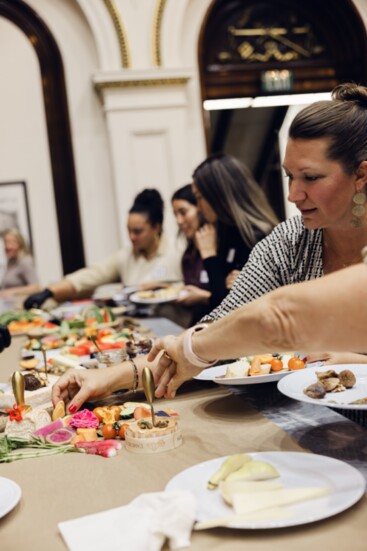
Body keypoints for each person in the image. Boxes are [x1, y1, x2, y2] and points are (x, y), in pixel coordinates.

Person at [51, 82, 367, 410]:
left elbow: (276, 317)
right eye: (289, 177)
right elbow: (219, 332)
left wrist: (358, 363)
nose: (293, 194)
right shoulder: (288, 242)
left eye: (311, 178)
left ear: (360, 175)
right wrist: (112, 377)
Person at [23, 189, 183, 309]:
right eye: (129, 230)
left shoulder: (177, 252)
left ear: (156, 227)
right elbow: (92, 274)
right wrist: (49, 292)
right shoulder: (127, 255)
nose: (131, 237)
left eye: (138, 231)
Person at [190, 153, 279, 310]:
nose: (198, 207)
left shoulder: (257, 238)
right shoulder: (225, 230)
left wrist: (209, 255)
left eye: (200, 198)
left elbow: (224, 308)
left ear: (217, 196)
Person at [171, 184, 211, 325]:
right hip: (196, 328)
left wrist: (204, 297)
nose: (179, 221)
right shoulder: (188, 256)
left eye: (183, 212)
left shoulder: (218, 249)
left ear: (200, 208)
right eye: (175, 215)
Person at [0, 228, 40, 297]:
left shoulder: (25, 261)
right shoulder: (11, 262)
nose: (8, 246)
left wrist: (10, 292)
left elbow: (36, 287)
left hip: (20, 305)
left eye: (12, 242)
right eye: (6, 242)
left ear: (20, 244)